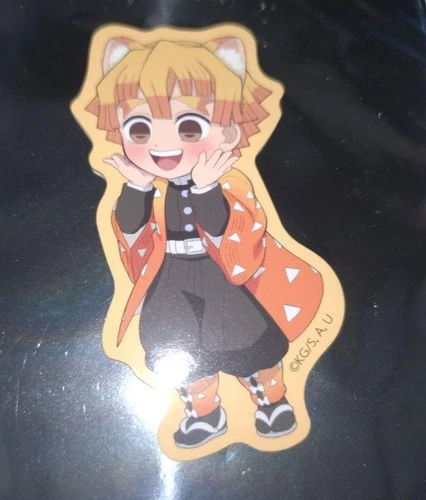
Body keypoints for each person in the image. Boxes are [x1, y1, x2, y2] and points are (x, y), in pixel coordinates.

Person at [86, 35, 323, 448]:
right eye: (139, 128)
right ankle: (205, 413)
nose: (162, 145)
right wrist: (136, 187)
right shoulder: (149, 186)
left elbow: (235, 230)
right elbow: (129, 230)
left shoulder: (230, 181)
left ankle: (272, 402)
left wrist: (205, 188)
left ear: (229, 129)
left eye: (190, 126)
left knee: (244, 339)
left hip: (221, 274)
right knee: (177, 344)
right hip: (170, 277)